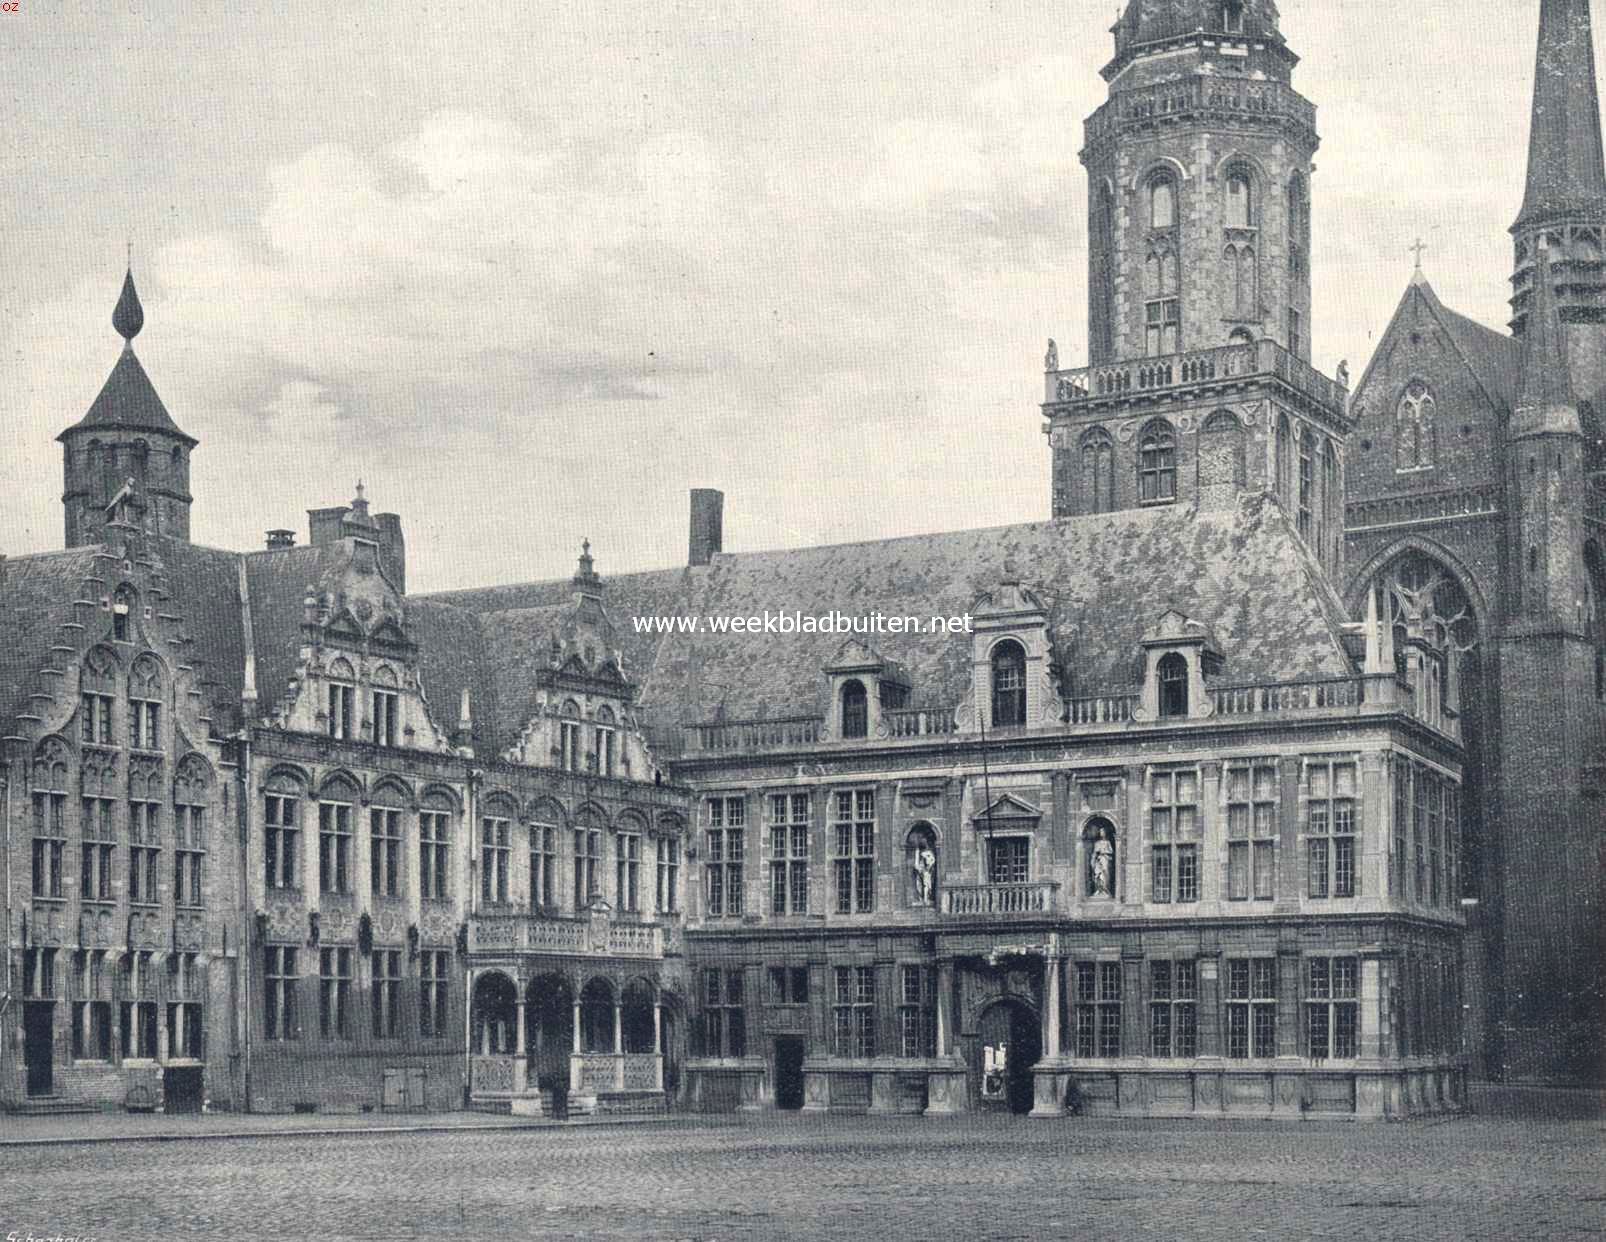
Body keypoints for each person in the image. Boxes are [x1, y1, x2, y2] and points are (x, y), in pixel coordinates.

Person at [1090, 825, 1115, 897]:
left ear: (1105, 833)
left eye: (1103, 832)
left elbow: (1111, 851)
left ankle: (1105, 890)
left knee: (1105, 874)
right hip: (1098, 860)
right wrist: (1093, 859)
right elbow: (1094, 852)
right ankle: (1098, 889)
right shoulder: (1097, 843)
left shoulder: (1108, 842)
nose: (1101, 833)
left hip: (1105, 859)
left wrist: (1104, 851)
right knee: (1097, 875)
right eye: (1100, 832)